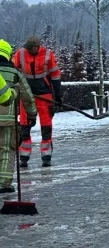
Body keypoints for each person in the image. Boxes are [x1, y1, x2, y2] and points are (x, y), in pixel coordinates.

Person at [12, 36, 62, 167]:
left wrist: (58, 94)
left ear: (37, 46)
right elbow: (14, 71)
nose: (28, 50)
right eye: (27, 48)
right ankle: (24, 156)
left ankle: (46, 156)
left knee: (46, 127)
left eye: (31, 48)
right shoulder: (20, 54)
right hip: (27, 96)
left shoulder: (47, 54)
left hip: (45, 96)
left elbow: (55, 75)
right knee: (24, 126)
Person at [0, 39, 37, 193]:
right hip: (7, 121)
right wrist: (32, 114)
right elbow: (27, 95)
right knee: (7, 150)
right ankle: (3, 183)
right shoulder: (15, 73)